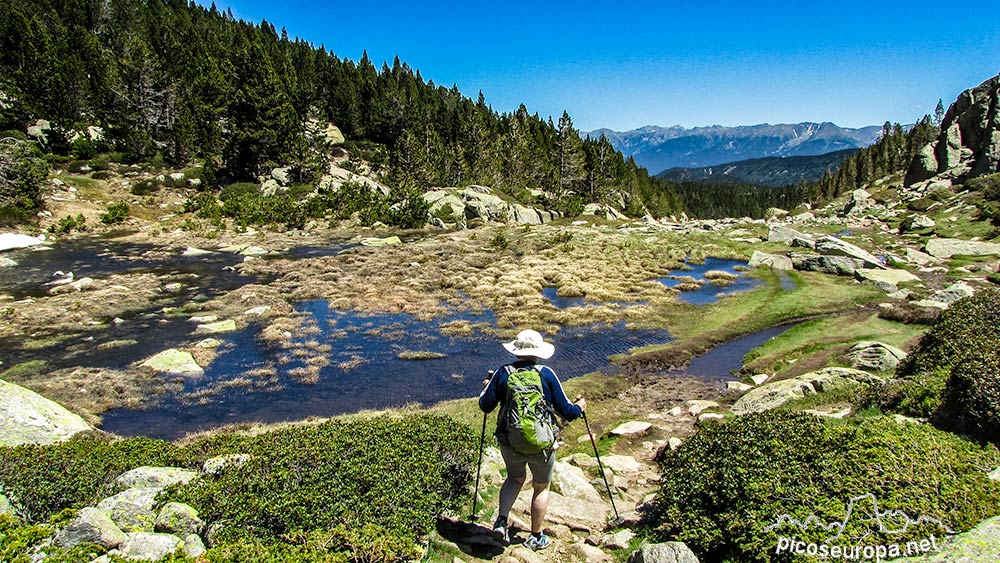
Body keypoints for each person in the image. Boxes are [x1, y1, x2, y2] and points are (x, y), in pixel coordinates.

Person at [478, 329, 586, 551]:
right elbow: (566, 410)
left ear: (516, 351)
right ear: (538, 353)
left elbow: (485, 405)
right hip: (542, 445)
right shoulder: (546, 374)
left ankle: (501, 521)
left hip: (510, 441)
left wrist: (487, 387)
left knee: (514, 479)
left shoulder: (503, 373)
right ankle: (536, 536)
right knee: (541, 486)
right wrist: (580, 408)